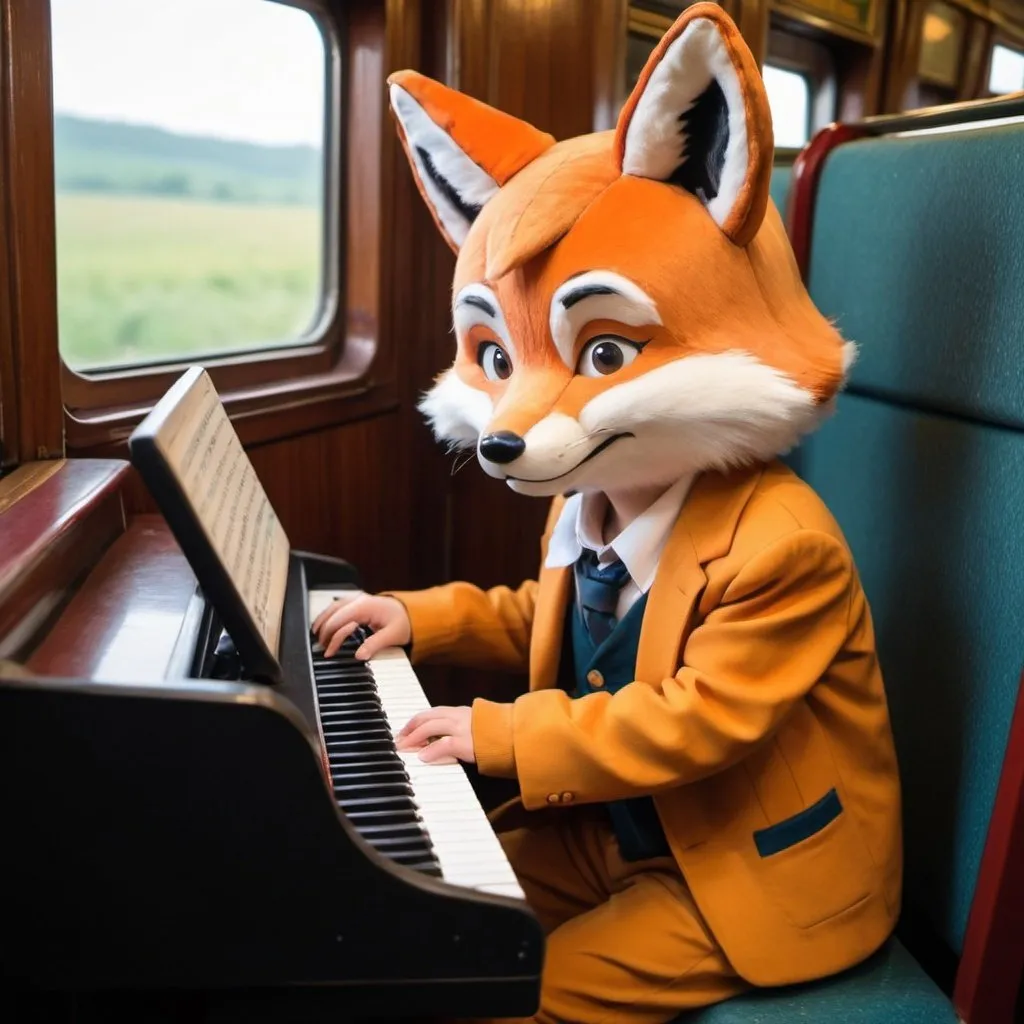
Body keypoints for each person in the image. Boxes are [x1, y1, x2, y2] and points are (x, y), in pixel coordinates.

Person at [313, 5, 902, 1021]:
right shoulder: (588, 496)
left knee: (510, 997)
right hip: (605, 831)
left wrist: (495, 735)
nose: (515, 417)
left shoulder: (785, 547)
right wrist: (425, 618)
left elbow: (695, 721)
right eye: (501, 362)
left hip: (734, 873)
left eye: (599, 355)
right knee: (418, 919)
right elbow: (547, 616)